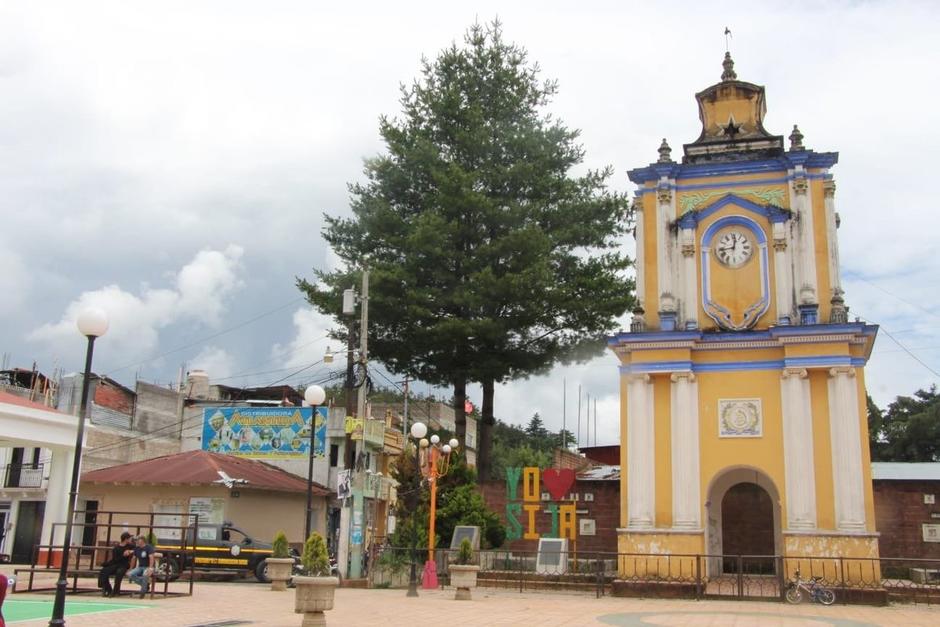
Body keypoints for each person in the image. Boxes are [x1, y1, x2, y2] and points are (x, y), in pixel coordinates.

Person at [98, 531, 134, 597]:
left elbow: (137, 549)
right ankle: (109, 590)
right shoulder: (116, 548)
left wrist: (130, 551)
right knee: (104, 571)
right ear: (126, 539)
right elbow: (115, 559)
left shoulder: (130, 546)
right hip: (116, 564)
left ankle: (115, 591)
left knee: (119, 573)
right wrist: (123, 555)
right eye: (129, 538)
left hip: (124, 565)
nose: (130, 540)